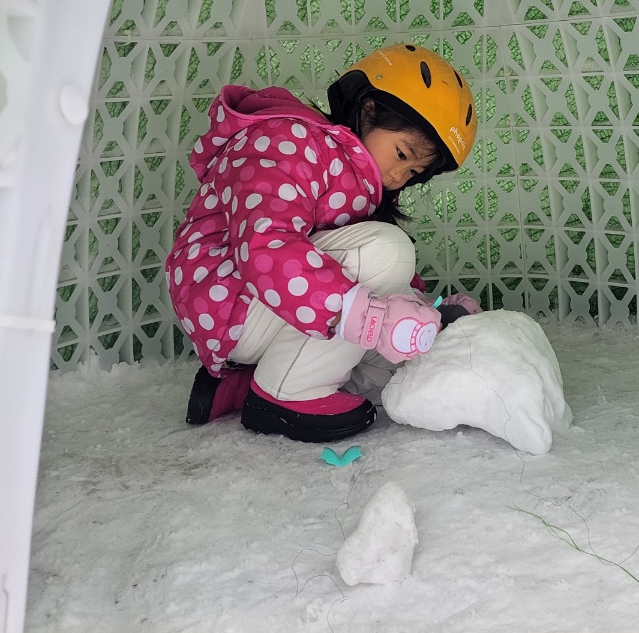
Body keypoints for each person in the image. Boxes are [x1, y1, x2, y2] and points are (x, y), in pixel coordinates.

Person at [166, 44, 482, 443]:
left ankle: (248, 383)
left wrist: (423, 312)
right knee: (388, 252)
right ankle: (285, 395)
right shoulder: (288, 140)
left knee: (398, 360)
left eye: (414, 171)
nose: (399, 177)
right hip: (229, 300)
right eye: (402, 154)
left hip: (272, 310)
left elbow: (372, 271)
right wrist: (368, 316)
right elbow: (265, 246)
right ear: (367, 110)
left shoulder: (356, 181)